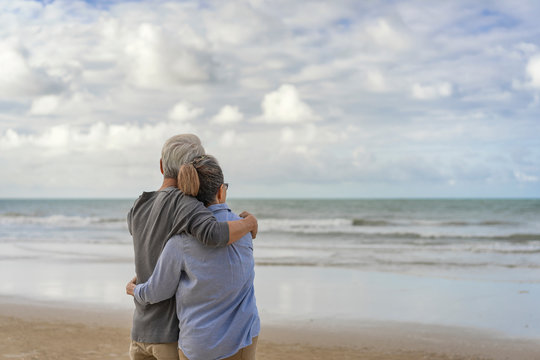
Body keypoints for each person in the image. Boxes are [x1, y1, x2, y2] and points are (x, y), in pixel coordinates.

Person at [128, 135, 258, 360]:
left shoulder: (140, 204)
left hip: (140, 328)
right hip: (167, 334)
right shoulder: (185, 204)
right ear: (192, 171)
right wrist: (248, 223)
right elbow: (213, 233)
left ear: (161, 165)